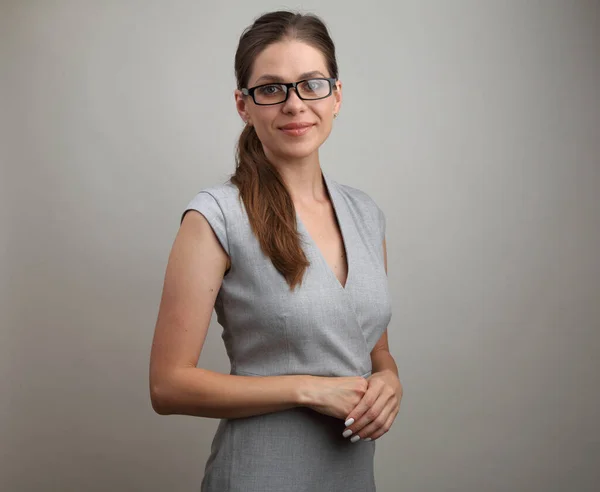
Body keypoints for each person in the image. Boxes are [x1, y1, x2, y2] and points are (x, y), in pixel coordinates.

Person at [149, 10, 402, 492]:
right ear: (244, 105)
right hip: (259, 476)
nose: (294, 104)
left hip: (351, 478)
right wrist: (307, 389)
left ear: (337, 95)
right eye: (271, 88)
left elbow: (374, 351)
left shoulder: (367, 215)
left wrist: (391, 381)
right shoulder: (215, 216)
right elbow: (167, 385)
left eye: (312, 84)